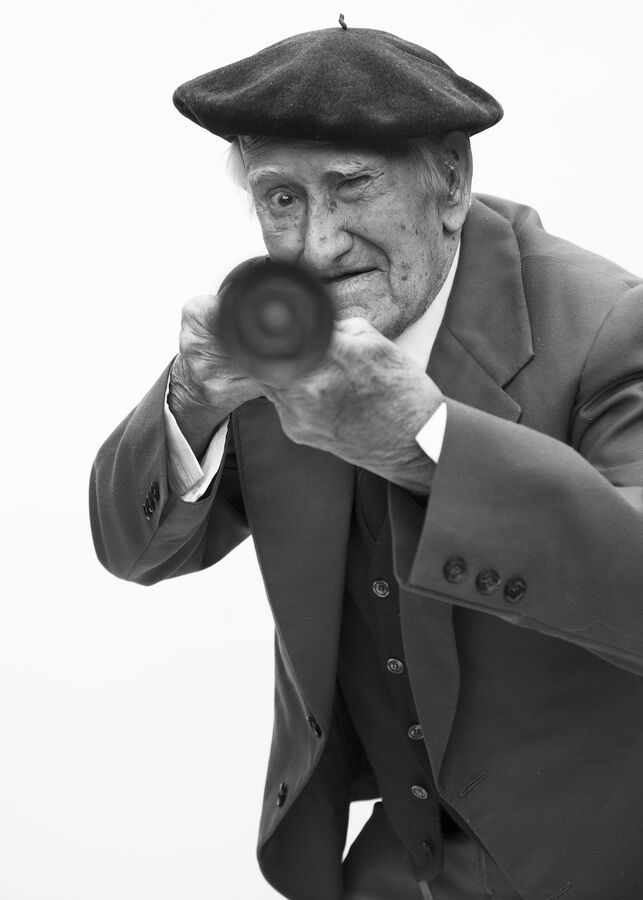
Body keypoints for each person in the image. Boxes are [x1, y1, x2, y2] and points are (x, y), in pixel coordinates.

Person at [89, 23, 643, 900]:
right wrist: (192, 402)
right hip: (387, 863)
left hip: (597, 853)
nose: (316, 247)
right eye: (280, 200)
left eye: (349, 186)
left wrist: (429, 443)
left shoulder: (611, 324)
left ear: (451, 181)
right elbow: (136, 550)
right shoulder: (278, 324)